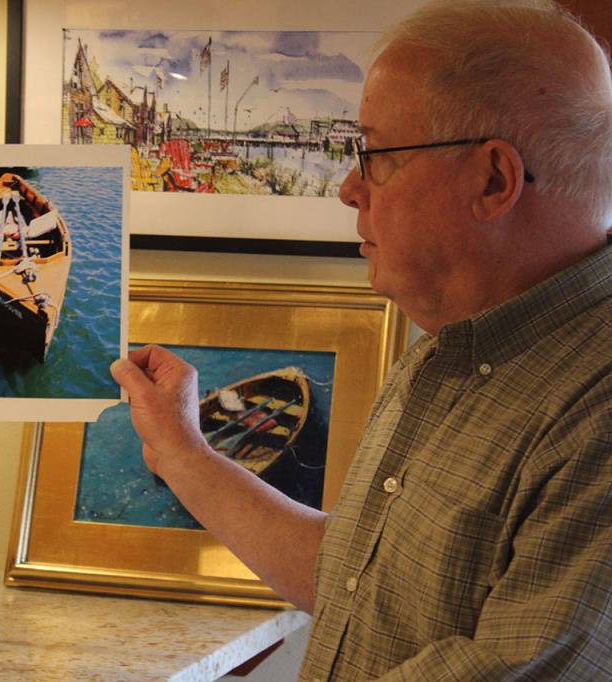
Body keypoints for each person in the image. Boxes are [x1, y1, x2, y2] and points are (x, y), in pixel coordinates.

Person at [110, 1, 612, 679]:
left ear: (493, 180)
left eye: (374, 156)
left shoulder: (595, 410)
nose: (349, 189)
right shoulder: (455, 351)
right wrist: (181, 451)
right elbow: (360, 585)